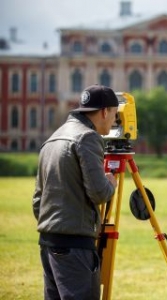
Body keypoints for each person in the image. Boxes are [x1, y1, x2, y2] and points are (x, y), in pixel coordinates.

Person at [32, 84, 119, 299]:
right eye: (115, 115)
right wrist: (111, 184)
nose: (115, 121)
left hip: (48, 241)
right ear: (104, 111)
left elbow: (37, 200)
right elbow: (99, 193)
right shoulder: (88, 138)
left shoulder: (53, 137)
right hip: (75, 245)